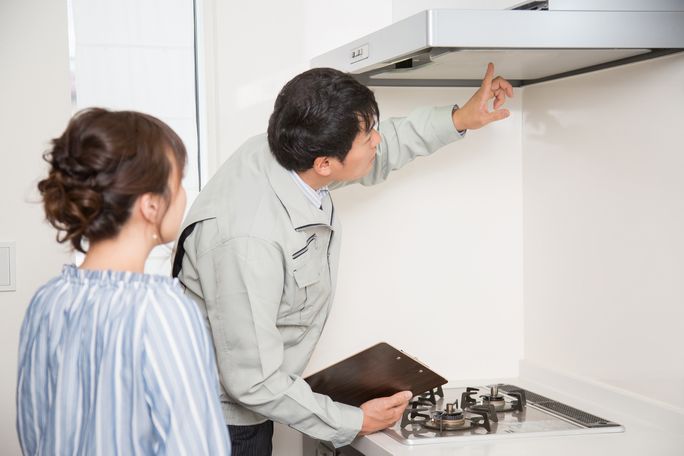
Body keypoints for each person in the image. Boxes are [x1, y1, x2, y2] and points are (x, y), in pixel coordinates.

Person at [173, 63, 513, 454]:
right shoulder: (248, 239)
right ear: (324, 164)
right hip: (219, 423)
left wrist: (460, 119)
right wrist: (354, 421)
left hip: (244, 401)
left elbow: (377, 151)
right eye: (368, 136)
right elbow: (253, 381)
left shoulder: (294, 151)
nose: (377, 140)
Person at [16, 108, 232, 455]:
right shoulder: (165, 313)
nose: (184, 194)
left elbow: (34, 433)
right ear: (151, 205)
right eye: (178, 182)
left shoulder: (47, 300)